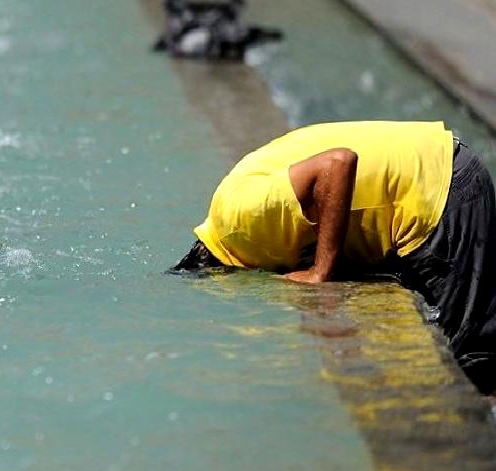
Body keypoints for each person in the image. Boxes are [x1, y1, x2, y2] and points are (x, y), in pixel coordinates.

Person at [174, 120, 496, 395]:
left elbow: (338, 163)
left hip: (438, 190)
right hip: (432, 170)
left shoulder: (239, 220)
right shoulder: (230, 209)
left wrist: (320, 271)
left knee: (471, 365)